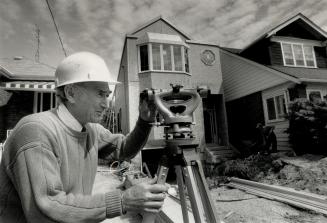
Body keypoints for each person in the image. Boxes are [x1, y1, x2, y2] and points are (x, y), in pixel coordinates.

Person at [0, 52, 168, 223]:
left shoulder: (90, 130)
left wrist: (145, 121)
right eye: (100, 94)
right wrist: (123, 200)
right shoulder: (36, 132)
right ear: (71, 93)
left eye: (107, 95)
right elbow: (48, 208)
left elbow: (124, 149)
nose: (106, 103)